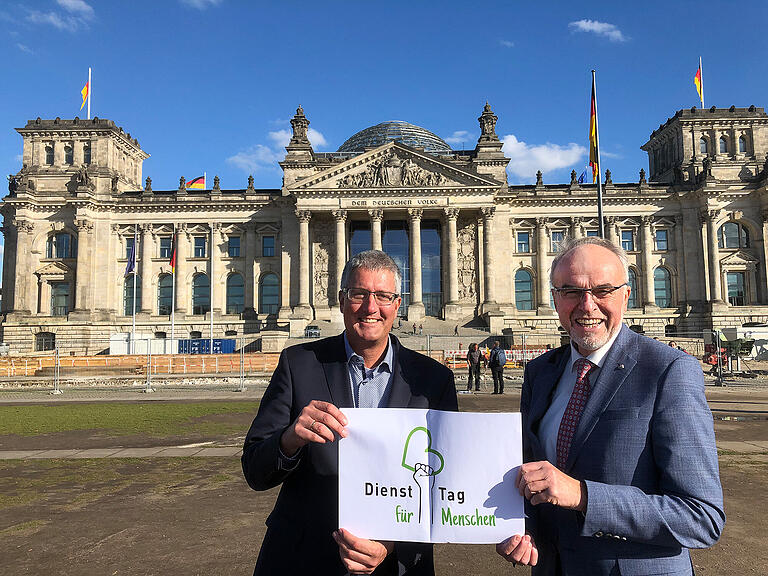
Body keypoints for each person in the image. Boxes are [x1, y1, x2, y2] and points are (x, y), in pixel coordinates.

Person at [497, 237, 724, 575]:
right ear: (555, 298)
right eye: (571, 291)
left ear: (625, 295)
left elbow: (700, 516)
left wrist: (583, 496)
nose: (587, 305)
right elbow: (534, 478)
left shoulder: (668, 371)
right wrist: (516, 529)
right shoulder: (540, 372)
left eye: (603, 291)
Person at [242, 250, 458, 576]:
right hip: (304, 558)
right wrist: (289, 440)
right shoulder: (298, 364)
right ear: (342, 300)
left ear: (397, 305)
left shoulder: (434, 379)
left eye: (383, 296)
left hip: (397, 564)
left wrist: (390, 543)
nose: (371, 307)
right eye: (359, 294)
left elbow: (447, 484)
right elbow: (255, 470)